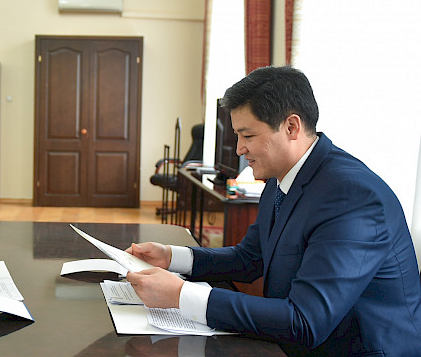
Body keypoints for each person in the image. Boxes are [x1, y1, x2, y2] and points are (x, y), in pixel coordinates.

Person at [126, 66, 421, 356]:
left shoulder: (352, 196)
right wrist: (172, 257)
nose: (239, 149)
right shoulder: (281, 179)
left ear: (291, 127)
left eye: (247, 136)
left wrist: (182, 296)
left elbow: (305, 321)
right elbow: (249, 258)